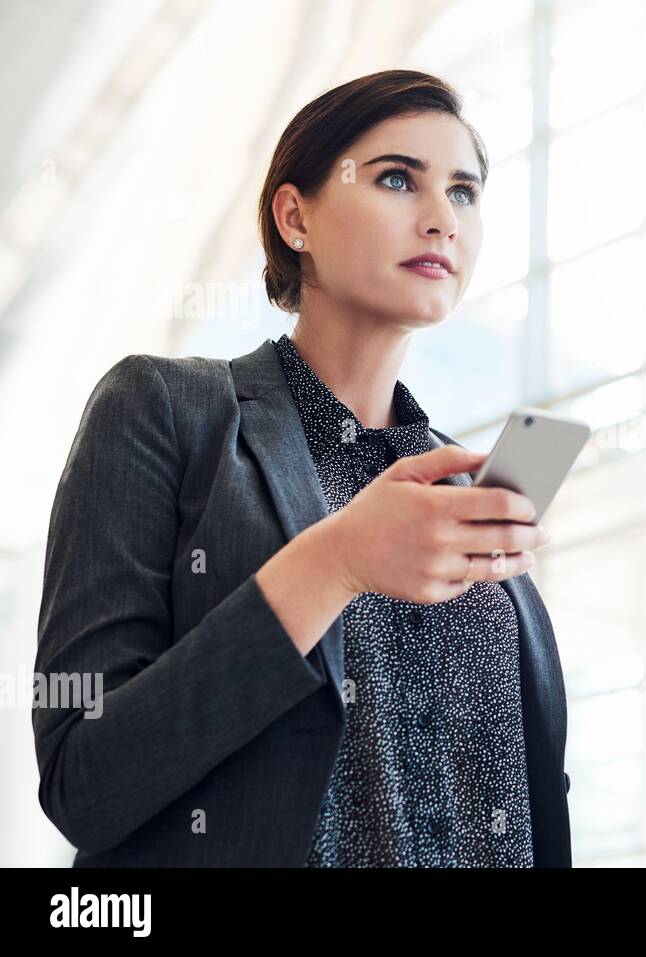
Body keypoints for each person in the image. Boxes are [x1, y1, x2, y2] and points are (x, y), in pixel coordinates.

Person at [31, 69, 572, 867]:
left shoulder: (462, 495)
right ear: (295, 218)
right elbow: (85, 778)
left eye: (464, 192)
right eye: (397, 179)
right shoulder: (163, 409)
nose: (441, 220)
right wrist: (335, 561)